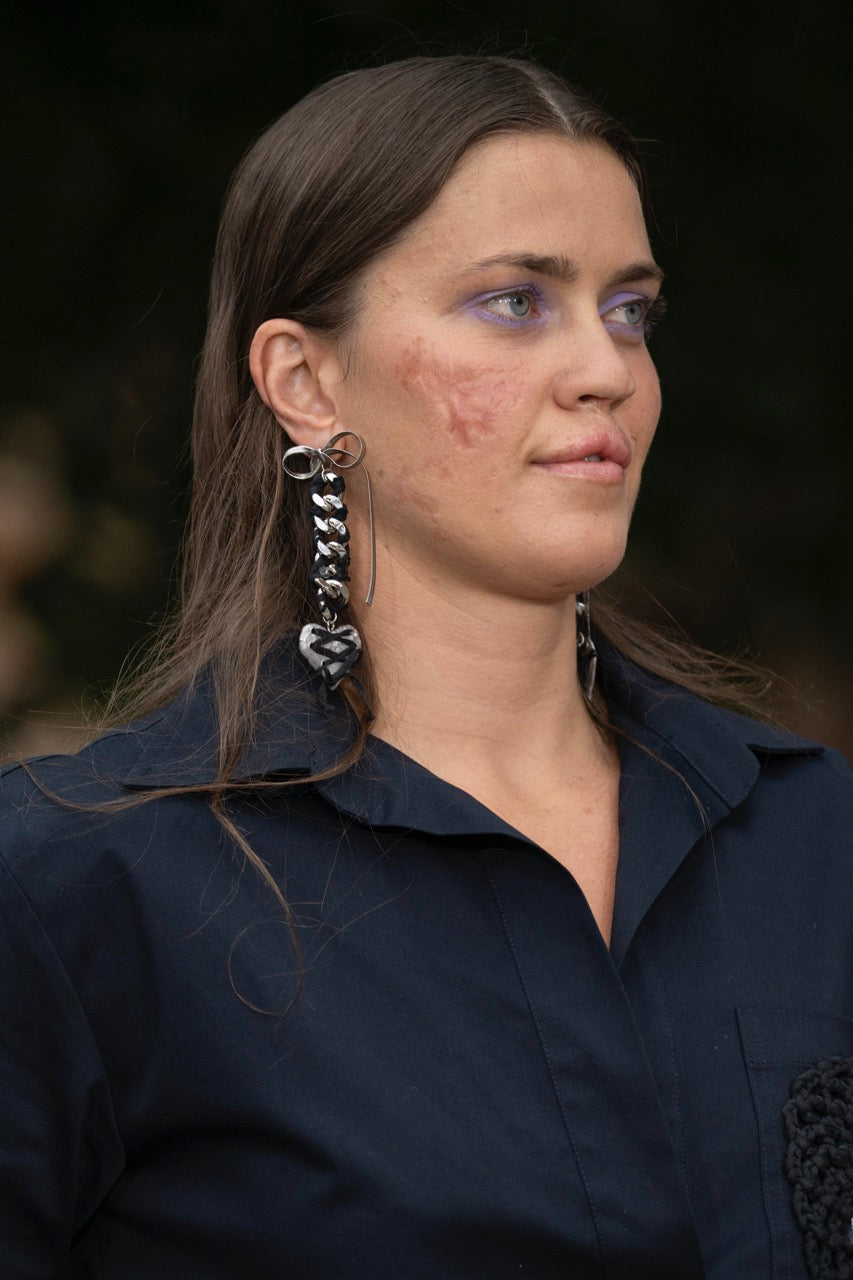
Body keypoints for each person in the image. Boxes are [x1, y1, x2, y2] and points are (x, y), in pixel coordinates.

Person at [1, 55, 851, 1280]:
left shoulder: (815, 836)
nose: (608, 369)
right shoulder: (79, 886)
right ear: (305, 380)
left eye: (629, 309)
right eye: (514, 301)